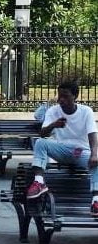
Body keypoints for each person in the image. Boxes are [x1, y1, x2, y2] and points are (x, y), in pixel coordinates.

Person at [26, 82, 98, 216]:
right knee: (40, 143)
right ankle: (39, 182)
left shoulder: (86, 111)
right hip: (61, 149)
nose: (61, 100)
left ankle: (96, 200)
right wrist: (53, 125)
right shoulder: (53, 111)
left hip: (81, 151)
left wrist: (94, 154)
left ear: (75, 96)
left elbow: (92, 134)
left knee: (97, 162)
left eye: (65, 96)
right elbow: (43, 133)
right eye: (60, 96)